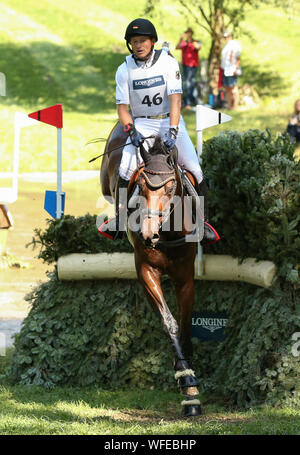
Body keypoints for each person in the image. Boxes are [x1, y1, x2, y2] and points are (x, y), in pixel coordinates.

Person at [100, 18, 218, 245]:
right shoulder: (124, 70)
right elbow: (122, 110)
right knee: (125, 168)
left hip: (169, 121)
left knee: (194, 168)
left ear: (152, 41)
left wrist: (173, 131)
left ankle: (204, 223)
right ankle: (119, 220)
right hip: (142, 123)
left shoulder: (168, 63)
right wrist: (130, 130)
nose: (138, 45)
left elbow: (176, 101)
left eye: (142, 40)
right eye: (134, 41)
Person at [176, 28, 201, 109]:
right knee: (186, 83)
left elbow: (198, 47)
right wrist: (181, 38)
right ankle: (187, 101)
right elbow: (177, 47)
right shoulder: (184, 43)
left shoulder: (195, 41)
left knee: (190, 83)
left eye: (189, 33)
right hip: (185, 65)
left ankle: (189, 102)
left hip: (193, 65)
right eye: (186, 33)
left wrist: (191, 41)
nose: (187, 34)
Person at [220, 30, 241, 110]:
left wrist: (236, 68)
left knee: (234, 88)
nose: (226, 38)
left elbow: (237, 57)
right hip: (226, 69)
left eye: (227, 37)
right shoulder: (226, 45)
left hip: (232, 69)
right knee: (227, 88)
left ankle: (235, 106)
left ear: (230, 36)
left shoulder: (235, 44)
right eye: (225, 37)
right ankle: (229, 105)